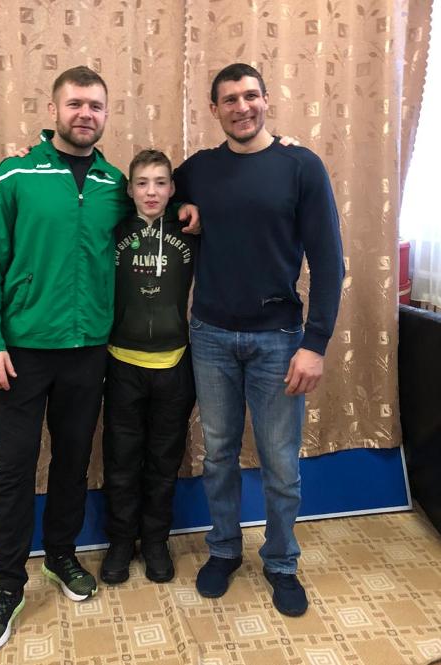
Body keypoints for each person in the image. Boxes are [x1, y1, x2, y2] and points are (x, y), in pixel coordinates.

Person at [0, 66, 197, 652]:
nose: (85, 114)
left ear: (106, 114)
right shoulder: (14, 173)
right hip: (20, 352)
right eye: (75, 104)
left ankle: (61, 555)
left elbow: (157, 205)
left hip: (89, 351)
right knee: (16, 468)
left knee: (72, 463)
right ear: (53, 110)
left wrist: (191, 205)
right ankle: (6, 586)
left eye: (95, 105)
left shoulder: (113, 184)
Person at [173, 63, 344, 617]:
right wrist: (180, 206)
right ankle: (224, 549)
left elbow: (328, 260)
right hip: (210, 337)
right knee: (218, 455)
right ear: (214, 109)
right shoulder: (199, 170)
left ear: (267, 100)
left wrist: (315, 344)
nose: (241, 107)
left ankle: (281, 562)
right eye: (230, 99)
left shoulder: (300, 165)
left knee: (280, 463)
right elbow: (147, 189)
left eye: (251, 96)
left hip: (280, 341)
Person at [100, 150, 197, 586]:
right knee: (121, 460)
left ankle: (156, 541)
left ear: (173, 188)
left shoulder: (190, 228)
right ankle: (121, 542)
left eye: (160, 182)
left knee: (163, 460)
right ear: (130, 189)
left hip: (175, 365)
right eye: (142, 183)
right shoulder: (114, 228)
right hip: (122, 363)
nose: (151, 192)